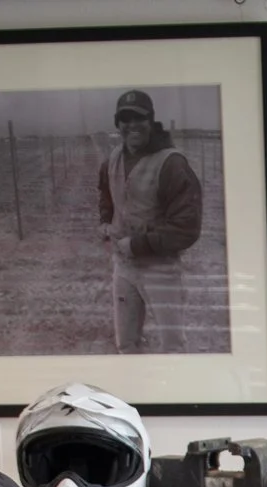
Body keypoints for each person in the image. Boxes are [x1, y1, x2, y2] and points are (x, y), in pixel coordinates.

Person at [95, 90, 203, 352]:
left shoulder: (172, 164)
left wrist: (137, 244)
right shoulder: (112, 160)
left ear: (151, 121)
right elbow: (106, 195)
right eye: (125, 118)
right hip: (123, 267)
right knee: (126, 343)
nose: (131, 124)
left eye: (139, 118)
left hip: (160, 269)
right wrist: (105, 223)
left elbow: (186, 228)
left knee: (172, 345)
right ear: (117, 124)